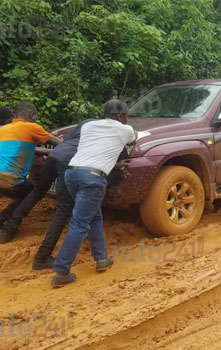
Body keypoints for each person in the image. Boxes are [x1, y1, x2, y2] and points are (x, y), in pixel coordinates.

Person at [51, 99, 136, 288]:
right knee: (79, 223)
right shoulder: (125, 129)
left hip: (71, 174)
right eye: (127, 116)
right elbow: (132, 139)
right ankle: (62, 271)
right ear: (122, 116)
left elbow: (96, 149)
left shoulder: (89, 125)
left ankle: (101, 258)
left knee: (94, 217)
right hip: (92, 179)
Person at [0, 102, 61, 230]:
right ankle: (1, 218)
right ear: (31, 115)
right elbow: (61, 145)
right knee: (34, 191)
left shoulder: (5, 129)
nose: (36, 120)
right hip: (11, 182)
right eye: (36, 117)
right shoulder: (33, 127)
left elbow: (25, 146)